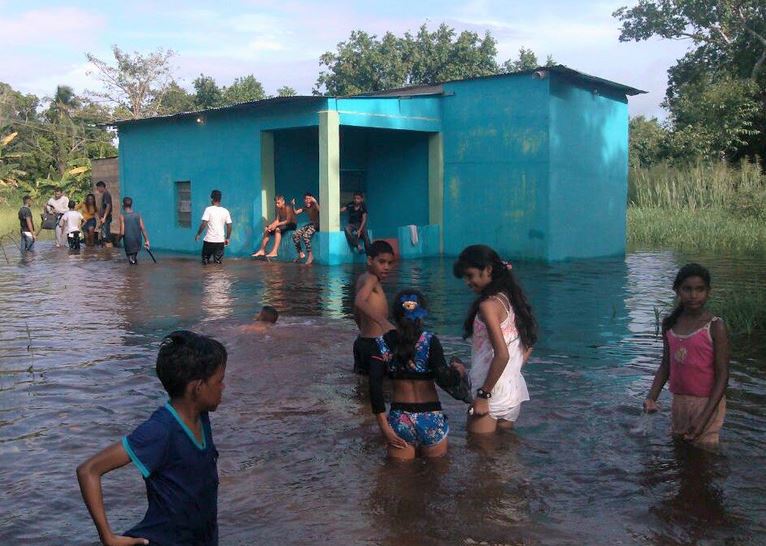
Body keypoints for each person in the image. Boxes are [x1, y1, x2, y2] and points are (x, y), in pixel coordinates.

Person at [77, 330, 226, 546]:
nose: (223, 387)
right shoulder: (160, 430)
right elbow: (88, 470)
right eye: (219, 381)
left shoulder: (201, 416)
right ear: (198, 387)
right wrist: (108, 538)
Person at [369, 290, 466, 459]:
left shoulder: (381, 343)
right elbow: (444, 379)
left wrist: (384, 427)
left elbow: (374, 385)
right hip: (431, 419)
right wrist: (459, 371)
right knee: (434, 479)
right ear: (421, 316)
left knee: (399, 481)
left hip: (400, 420)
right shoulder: (430, 341)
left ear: (395, 316)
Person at [453, 244, 537, 434]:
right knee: (504, 451)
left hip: (490, 392)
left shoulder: (488, 306)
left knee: (479, 453)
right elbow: (529, 342)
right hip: (511, 391)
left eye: (470, 275)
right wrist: (510, 373)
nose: (467, 282)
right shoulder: (509, 299)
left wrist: (483, 394)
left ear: (488, 270)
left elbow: (502, 354)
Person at [643, 263, 729, 446]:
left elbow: (723, 376)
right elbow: (666, 365)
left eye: (700, 289)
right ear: (677, 291)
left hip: (708, 403)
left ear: (708, 291)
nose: (693, 295)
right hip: (680, 401)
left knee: (705, 454)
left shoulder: (715, 325)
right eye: (687, 289)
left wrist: (704, 418)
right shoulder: (670, 324)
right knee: (680, 450)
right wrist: (651, 397)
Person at [353, 240, 396, 376]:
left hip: (363, 342)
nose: (386, 267)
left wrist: (363, 330)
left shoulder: (363, 278)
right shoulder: (372, 279)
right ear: (370, 260)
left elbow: (356, 312)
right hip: (375, 345)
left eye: (390, 263)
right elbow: (359, 301)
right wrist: (384, 323)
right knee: (383, 386)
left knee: (364, 386)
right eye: (381, 262)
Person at [195, 189, 233, 265]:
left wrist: (198, 234)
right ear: (220, 199)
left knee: (205, 261)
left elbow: (204, 223)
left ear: (212, 199)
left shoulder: (208, 210)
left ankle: (207, 276)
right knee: (218, 263)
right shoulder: (225, 211)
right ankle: (218, 276)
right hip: (220, 241)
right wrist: (228, 238)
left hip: (209, 240)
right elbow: (229, 226)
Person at [119, 197, 151, 265]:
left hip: (129, 242)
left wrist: (117, 240)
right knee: (134, 258)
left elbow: (122, 232)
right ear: (131, 204)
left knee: (131, 261)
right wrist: (147, 241)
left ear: (123, 204)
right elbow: (143, 228)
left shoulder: (122, 216)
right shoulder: (137, 215)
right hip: (137, 241)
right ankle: (136, 273)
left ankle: (133, 274)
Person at [292, 193, 320, 264]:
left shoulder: (314, 206)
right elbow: (295, 212)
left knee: (305, 236)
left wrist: (315, 202)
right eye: (306, 199)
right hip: (311, 224)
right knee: (295, 234)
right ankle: (300, 253)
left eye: (309, 199)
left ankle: (310, 256)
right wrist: (293, 205)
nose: (307, 200)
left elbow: (320, 210)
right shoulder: (305, 207)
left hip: (317, 225)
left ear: (312, 199)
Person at [95, 181, 113, 246]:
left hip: (106, 218)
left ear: (101, 187)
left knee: (106, 236)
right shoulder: (105, 194)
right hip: (104, 218)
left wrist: (104, 217)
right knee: (104, 235)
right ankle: (107, 252)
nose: (97, 190)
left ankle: (109, 252)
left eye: (98, 188)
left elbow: (108, 206)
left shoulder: (106, 194)